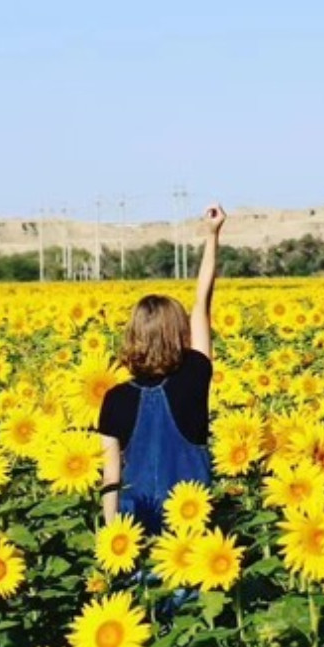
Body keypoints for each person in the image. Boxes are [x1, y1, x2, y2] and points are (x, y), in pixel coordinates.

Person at [99, 204, 225, 529]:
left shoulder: (113, 399)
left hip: (133, 534)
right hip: (188, 536)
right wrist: (212, 236)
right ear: (180, 333)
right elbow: (202, 305)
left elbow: (110, 476)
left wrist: (114, 543)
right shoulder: (194, 377)